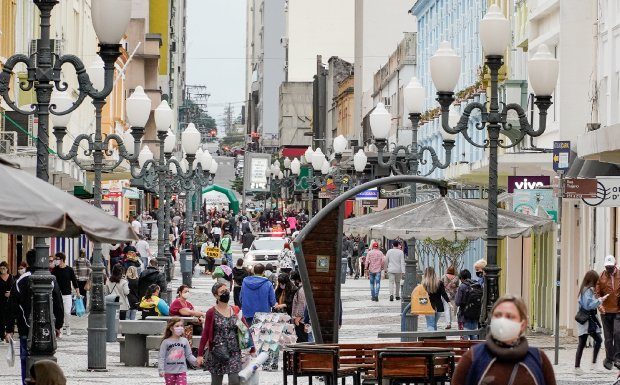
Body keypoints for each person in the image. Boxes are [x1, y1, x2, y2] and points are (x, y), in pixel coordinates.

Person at [452, 295, 557, 385]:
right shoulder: (473, 357)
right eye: (497, 315)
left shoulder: (539, 360)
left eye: (509, 316)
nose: (502, 320)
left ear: (523, 324)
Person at [5, 250, 64, 385]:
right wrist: (58, 325)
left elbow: (12, 305)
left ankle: (27, 382)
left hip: (25, 329)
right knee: (47, 361)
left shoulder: (20, 280)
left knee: (26, 360)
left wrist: (9, 329)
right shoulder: (50, 278)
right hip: (46, 331)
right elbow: (58, 303)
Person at [198, 282, 253, 385]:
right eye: (222, 292)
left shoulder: (235, 310)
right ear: (216, 295)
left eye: (226, 290)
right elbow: (205, 333)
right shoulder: (211, 312)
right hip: (217, 352)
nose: (225, 293)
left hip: (234, 351)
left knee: (234, 381)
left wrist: (252, 348)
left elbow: (245, 329)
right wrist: (200, 354)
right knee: (216, 382)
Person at [575, 270, 605, 370]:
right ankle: (580, 365)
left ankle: (584, 365)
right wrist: (600, 300)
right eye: (596, 281)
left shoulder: (586, 290)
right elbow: (588, 306)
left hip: (588, 320)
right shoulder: (587, 291)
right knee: (584, 342)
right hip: (586, 320)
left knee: (592, 341)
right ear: (592, 280)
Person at [596, 255, 620, 370]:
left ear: (615, 265)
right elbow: (597, 293)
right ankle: (609, 358)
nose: (608, 269)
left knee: (617, 333)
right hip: (605, 311)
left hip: (618, 310)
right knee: (608, 337)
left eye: (610, 267)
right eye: (607, 267)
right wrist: (599, 305)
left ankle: (617, 358)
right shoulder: (601, 277)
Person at [158, 318, 198, 385]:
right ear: (171, 328)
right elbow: (161, 357)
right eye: (177, 326)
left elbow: (189, 355)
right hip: (169, 371)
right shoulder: (166, 342)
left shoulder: (185, 341)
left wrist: (196, 362)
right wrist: (161, 370)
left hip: (181, 370)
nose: (180, 328)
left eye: (181, 326)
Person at [51, 252, 79, 336]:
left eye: (57, 259)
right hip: (57, 295)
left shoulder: (69, 269)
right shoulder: (55, 270)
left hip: (67, 295)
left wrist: (77, 292)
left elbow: (74, 281)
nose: (55, 261)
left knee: (67, 312)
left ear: (62, 259)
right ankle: (60, 328)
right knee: (59, 313)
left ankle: (67, 326)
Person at [422, 266, 451, 331]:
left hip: (428, 306)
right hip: (438, 306)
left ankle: (431, 339)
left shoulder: (424, 283)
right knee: (434, 324)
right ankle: (434, 339)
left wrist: (421, 306)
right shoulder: (439, 282)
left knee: (430, 324)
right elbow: (444, 294)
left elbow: (422, 296)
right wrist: (449, 303)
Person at [454, 269, 481, 339]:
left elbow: (457, 302)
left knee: (464, 340)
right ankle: (475, 350)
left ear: (462, 278)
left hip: (463, 317)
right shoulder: (477, 285)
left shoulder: (462, 286)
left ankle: (465, 350)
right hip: (475, 315)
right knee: (474, 339)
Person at [290, 271, 308, 342]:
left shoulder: (301, 290)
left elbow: (302, 304)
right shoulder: (302, 289)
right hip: (300, 320)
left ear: (297, 280)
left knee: (301, 340)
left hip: (300, 320)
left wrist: (298, 318)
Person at [441, 265, 459, 330]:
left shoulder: (444, 276)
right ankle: (452, 322)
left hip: (445, 295)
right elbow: (457, 286)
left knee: (446, 309)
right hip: (453, 295)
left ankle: (448, 323)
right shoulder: (456, 278)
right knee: (452, 308)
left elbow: (441, 285)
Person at [0, 261, 14, 340]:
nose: (2, 270)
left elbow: (15, 288)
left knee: (10, 317)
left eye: (4, 268)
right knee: (1, 318)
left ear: (7, 269)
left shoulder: (11, 277)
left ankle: (9, 334)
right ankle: (2, 335)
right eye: (1, 268)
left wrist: (10, 293)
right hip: (1, 301)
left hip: (9, 301)